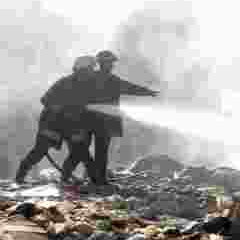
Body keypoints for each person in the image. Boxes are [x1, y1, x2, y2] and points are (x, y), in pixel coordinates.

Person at [14, 56, 102, 185]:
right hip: (52, 124)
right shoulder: (64, 82)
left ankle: (71, 179)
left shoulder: (90, 87)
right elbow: (45, 99)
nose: (92, 72)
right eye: (90, 69)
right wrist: (58, 108)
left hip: (72, 125)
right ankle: (19, 177)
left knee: (80, 152)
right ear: (82, 70)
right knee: (40, 151)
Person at [89, 50, 159, 185]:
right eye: (109, 63)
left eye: (111, 63)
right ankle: (99, 178)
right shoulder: (111, 80)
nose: (111, 65)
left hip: (91, 120)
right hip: (103, 122)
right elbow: (130, 88)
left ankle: (96, 177)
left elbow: (129, 87)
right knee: (100, 151)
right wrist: (148, 92)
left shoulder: (93, 78)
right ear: (103, 63)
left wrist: (147, 92)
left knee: (92, 151)